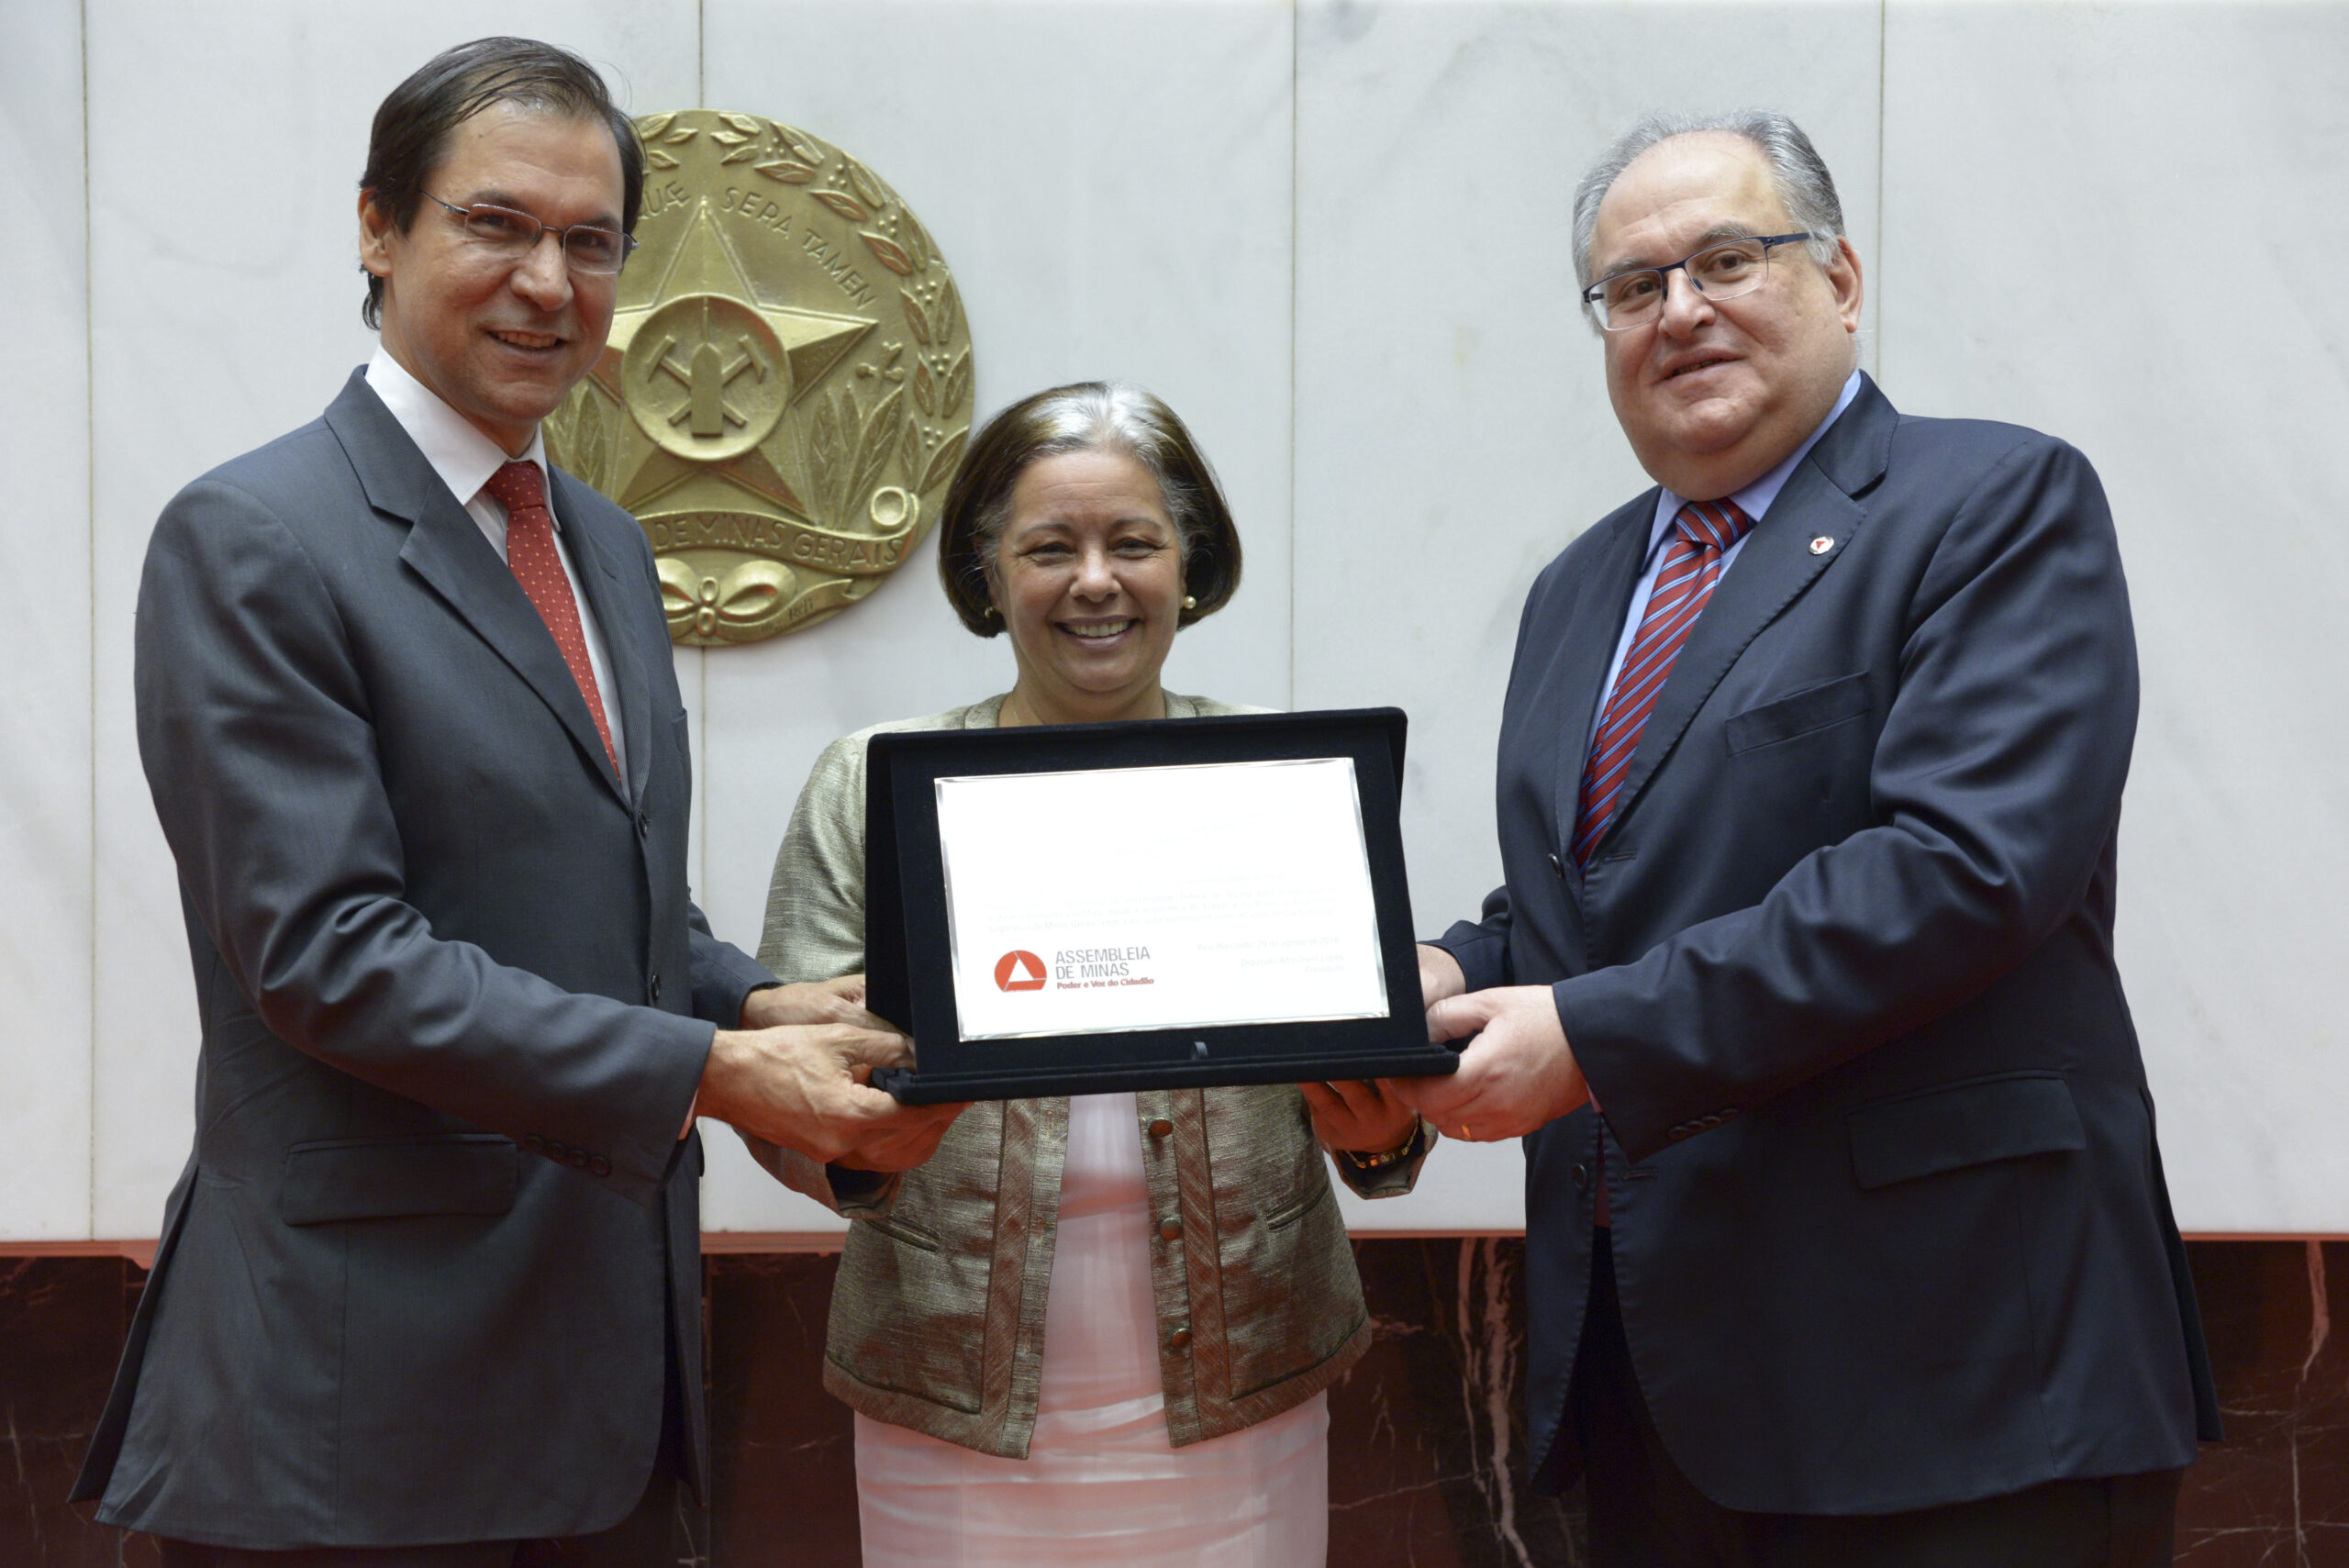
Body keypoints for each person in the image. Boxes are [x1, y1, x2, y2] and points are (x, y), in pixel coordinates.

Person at [71, 37, 960, 1564]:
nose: (550, 279)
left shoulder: (603, 544)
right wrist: (717, 1074)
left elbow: (618, 903)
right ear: (378, 227)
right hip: (358, 1410)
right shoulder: (254, 537)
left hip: (603, 1384)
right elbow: (330, 958)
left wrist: (763, 1005)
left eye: (591, 241)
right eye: (497, 224)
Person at [1392, 110, 2221, 1563]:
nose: (1682, 308)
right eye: (1634, 287)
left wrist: (1587, 1035)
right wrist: (1436, 974)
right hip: (1660, 1380)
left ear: (1839, 277)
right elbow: (1586, 906)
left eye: (1728, 257)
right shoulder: (1581, 587)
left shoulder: (1995, 504)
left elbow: (1960, 869)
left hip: (1957, 1380)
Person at [745, 381, 1431, 1566]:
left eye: (1136, 542)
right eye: (1050, 548)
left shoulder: (1285, 787)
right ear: (990, 574)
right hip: (949, 1408)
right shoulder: (868, 786)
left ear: (1190, 562)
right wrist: (850, 1143)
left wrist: (1380, 1132)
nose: (1096, 581)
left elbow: (1381, 1098)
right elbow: (778, 1094)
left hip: (1247, 1394)